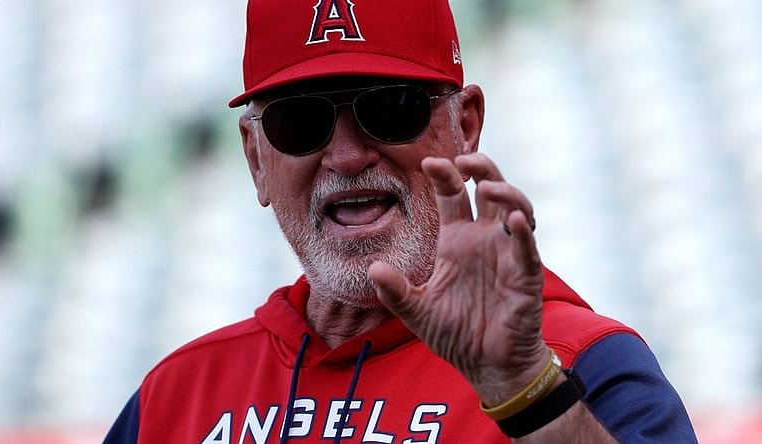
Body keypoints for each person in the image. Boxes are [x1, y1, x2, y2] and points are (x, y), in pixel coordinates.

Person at [104, 0, 698, 442]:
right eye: (299, 123)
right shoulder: (176, 395)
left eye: (391, 108)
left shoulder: (580, 361)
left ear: (465, 127)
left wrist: (525, 393)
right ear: (257, 158)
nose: (345, 156)